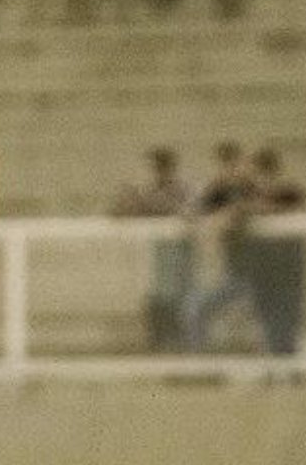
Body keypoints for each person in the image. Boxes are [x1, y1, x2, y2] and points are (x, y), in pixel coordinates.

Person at [109, 147, 193, 352]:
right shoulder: (148, 191)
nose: (157, 172)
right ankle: (160, 346)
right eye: (155, 167)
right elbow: (122, 213)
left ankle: (179, 346)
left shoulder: (182, 190)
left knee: (175, 302)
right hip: (156, 257)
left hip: (177, 255)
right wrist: (127, 201)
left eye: (160, 167)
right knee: (155, 301)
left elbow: (185, 213)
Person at [183, 140, 257, 352]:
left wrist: (233, 212)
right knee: (194, 308)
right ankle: (199, 358)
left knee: (249, 312)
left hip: (253, 272)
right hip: (227, 273)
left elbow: (250, 208)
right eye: (225, 163)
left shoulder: (249, 187)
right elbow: (192, 211)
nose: (230, 168)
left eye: (233, 162)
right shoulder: (217, 189)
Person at [245, 147, 306, 355]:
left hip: (287, 267)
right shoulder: (250, 195)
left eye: (261, 172)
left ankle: (287, 360)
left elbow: (297, 212)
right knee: (266, 318)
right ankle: (273, 361)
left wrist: (264, 208)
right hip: (263, 267)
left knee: (286, 319)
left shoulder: (288, 192)